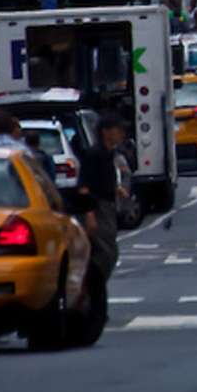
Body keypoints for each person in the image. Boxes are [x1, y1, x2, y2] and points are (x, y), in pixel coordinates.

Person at [76, 115, 125, 281]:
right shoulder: (93, 154)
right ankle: (92, 285)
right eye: (117, 131)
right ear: (105, 132)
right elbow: (84, 186)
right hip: (97, 207)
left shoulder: (110, 154)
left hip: (108, 205)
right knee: (106, 251)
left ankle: (95, 285)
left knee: (108, 248)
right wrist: (89, 214)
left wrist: (116, 188)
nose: (120, 134)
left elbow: (104, 178)